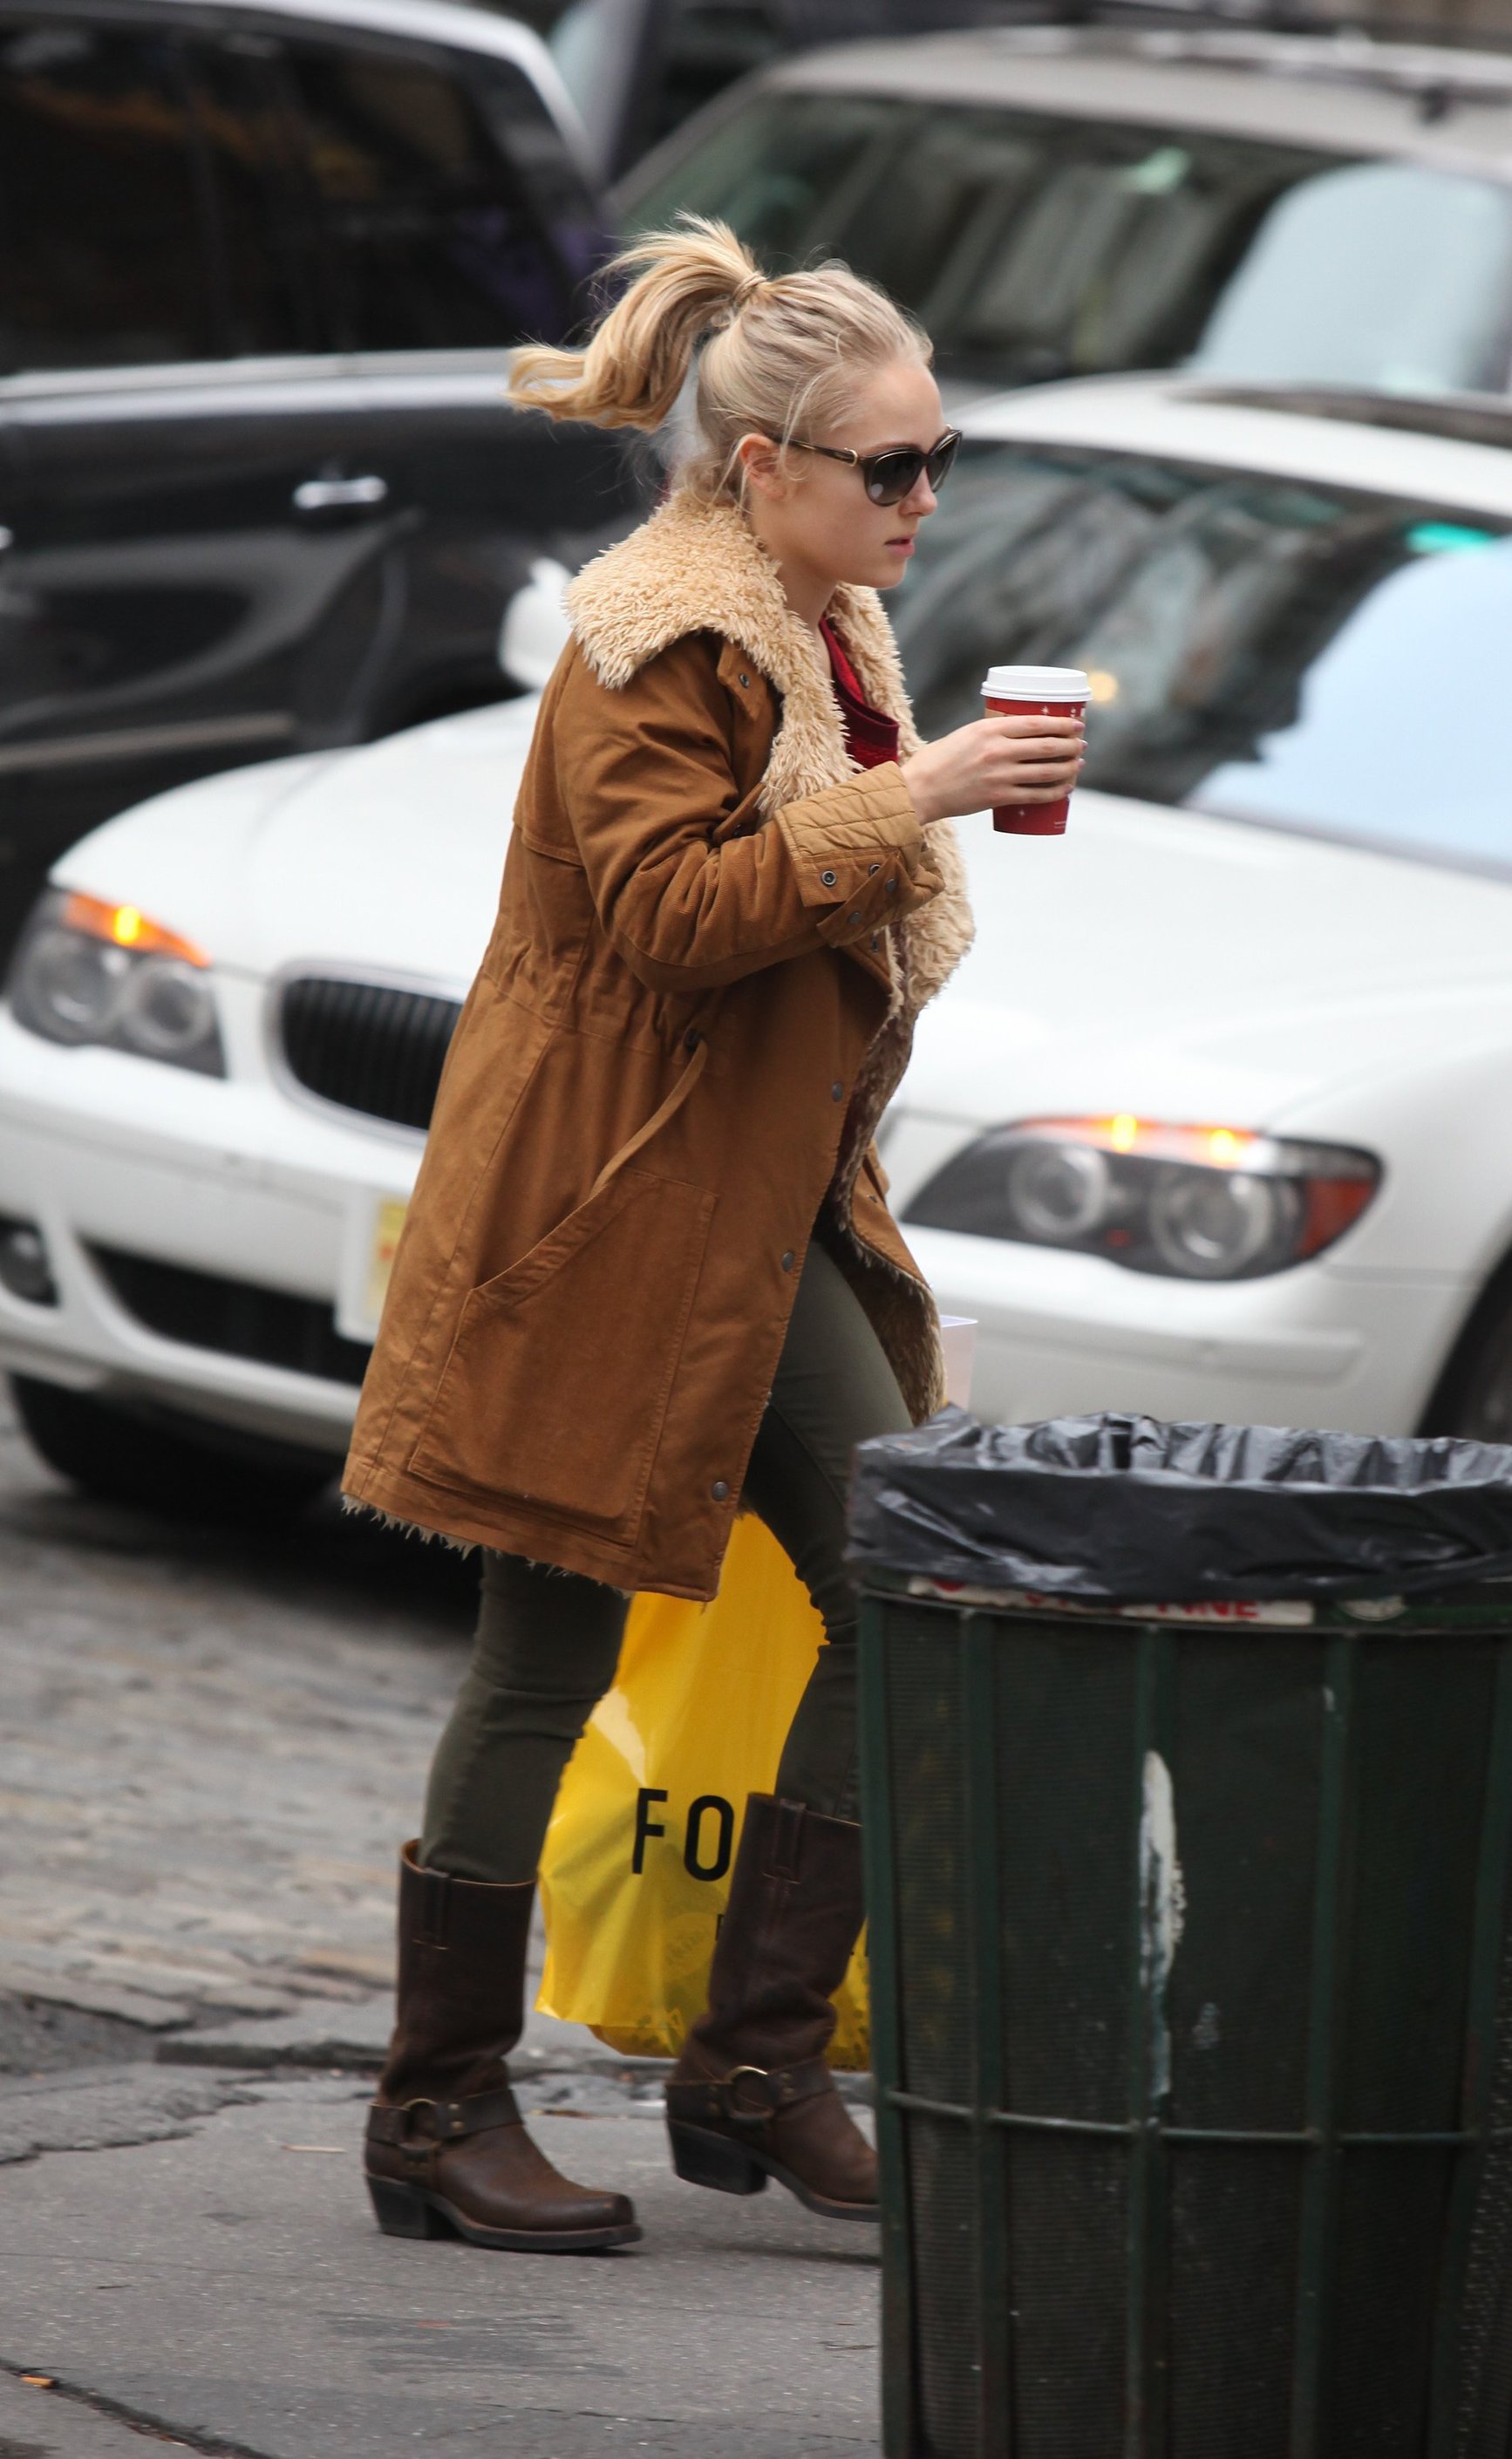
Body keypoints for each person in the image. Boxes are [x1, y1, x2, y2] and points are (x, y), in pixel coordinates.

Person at [344, 216, 1085, 2253]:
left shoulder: (827, 628)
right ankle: (435, 2108)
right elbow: (673, 916)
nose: (923, 498)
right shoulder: (657, 634)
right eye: (890, 465)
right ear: (763, 467)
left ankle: (754, 2063)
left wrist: (912, 787)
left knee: (903, 1586)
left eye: (941, 459)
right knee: (547, 1647)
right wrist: (918, 797)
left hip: (757, 1212)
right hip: (605, 1211)